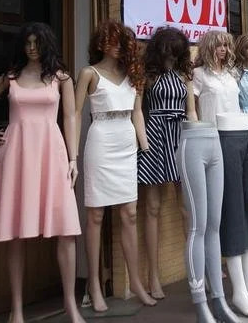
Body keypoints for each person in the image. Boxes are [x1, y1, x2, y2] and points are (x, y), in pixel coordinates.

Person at [0, 22, 84, 323]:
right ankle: (17, 310)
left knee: (66, 230)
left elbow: (70, 117)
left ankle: (71, 306)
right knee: (16, 233)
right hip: (17, 156)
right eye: (27, 43)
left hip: (52, 154)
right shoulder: (11, 77)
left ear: (47, 44)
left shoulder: (61, 77)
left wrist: (73, 159)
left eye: (37, 43)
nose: (32, 48)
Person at [75, 20, 155, 312]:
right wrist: (71, 155)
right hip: (100, 141)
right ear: (101, 42)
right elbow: (74, 114)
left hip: (126, 142)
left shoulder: (134, 75)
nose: (118, 46)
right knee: (96, 215)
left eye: (122, 41)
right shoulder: (89, 73)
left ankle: (136, 283)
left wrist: (145, 147)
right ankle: (94, 285)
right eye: (113, 40)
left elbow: (137, 114)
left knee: (130, 214)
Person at [137, 27, 197, 299]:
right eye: (168, 50)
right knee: (152, 208)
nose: (171, 55)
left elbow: (191, 111)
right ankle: (153, 276)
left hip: (181, 135)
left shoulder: (185, 76)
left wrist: (195, 141)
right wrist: (143, 142)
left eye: (176, 51)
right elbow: (138, 110)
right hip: (155, 135)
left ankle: (196, 269)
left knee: (187, 207)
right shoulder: (147, 75)